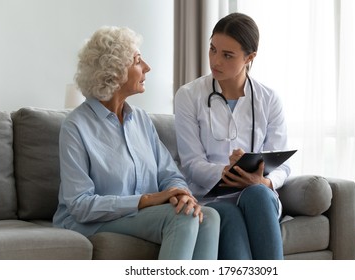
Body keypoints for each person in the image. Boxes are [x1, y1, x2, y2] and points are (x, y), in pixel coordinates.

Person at [53, 26, 220, 260]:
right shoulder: (76, 126)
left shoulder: (141, 119)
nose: (147, 68)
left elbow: (169, 174)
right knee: (184, 216)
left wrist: (181, 194)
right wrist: (147, 200)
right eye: (138, 61)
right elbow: (80, 205)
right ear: (114, 70)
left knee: (209, 217)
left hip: (140, 215)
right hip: (92, 221)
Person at [174, 13, 289, 260]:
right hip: (211, 198)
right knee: (230, 213)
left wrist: (264, 182)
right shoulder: (188, 96)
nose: (215, 61)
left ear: (250, 57)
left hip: (259, 196)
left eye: (227, 55)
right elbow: (192, 164)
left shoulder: (269, 99)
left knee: (257, 194)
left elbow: (283, 164)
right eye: (212, 49)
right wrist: (229, 171)